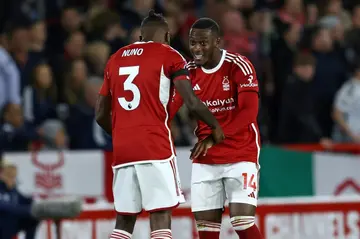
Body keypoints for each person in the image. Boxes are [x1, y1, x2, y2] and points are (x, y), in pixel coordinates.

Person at [95, 10, 224, 239]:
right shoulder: (170, 55)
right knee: (160, 212)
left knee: (124, 218)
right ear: (166, 37)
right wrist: (215, 125)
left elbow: (100, 114)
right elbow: (192, 101)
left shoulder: (115, 58)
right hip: (154, 145)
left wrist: (121, 133)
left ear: (142, 36)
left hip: (123, 149)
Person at [170, 18, 263, 239]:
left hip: (241, 151)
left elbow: (249, 112)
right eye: (193, 43)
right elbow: (169, 108)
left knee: (242, 221)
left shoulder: (238, 65)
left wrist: (215, 135)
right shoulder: (187, 72)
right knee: (207, 230)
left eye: (203, 43)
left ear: (217, 41)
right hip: (206, 158)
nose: (197, 49)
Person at [0, 160, 39, 239]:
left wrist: (35, 203)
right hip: (2, 223)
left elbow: (23, 199)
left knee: (33, 218)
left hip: (10, 222)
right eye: (10, 176)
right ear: (2, 175)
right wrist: (29, 210)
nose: (13, 179)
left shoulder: (12, 189)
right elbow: (7, 207)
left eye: (14, 176)